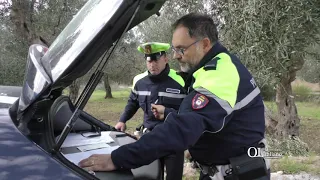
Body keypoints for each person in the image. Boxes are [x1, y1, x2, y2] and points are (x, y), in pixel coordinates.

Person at [79, 13, 270, 180]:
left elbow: (182, 129)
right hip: (226, 169)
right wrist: (171, 114)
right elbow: (210, 119)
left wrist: (117, 158)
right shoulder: (216, 66)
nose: (176, 55)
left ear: (204, 44)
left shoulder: (219, 73)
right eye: (174, 49)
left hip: (238, 173)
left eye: (181, 49)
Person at [113, 42, 186, 180]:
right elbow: (132, 102)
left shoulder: (181, 80)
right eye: (149, 60)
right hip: (149, 138)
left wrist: (167, 111)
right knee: (149, 177)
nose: (153, 64)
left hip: (173, 138)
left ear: (165, 58)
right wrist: (122, 120)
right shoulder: (139, 81)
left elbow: (188, 112)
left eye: (156, 60)